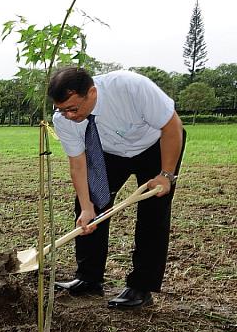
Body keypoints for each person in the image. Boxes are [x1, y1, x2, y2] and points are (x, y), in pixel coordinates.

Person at [48, 67, 185, 309]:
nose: (68, 115)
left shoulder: (130, 87)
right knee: (90, 204)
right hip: (109, 152)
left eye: (73, 109)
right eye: (62, 110)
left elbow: (172, 125)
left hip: (155, 146)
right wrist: (87, 207)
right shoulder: (64, 120)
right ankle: (88, 278)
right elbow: (78, 165)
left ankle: (141, 287)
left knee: (153, 213)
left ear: (91, 92)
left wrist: (166, 175)